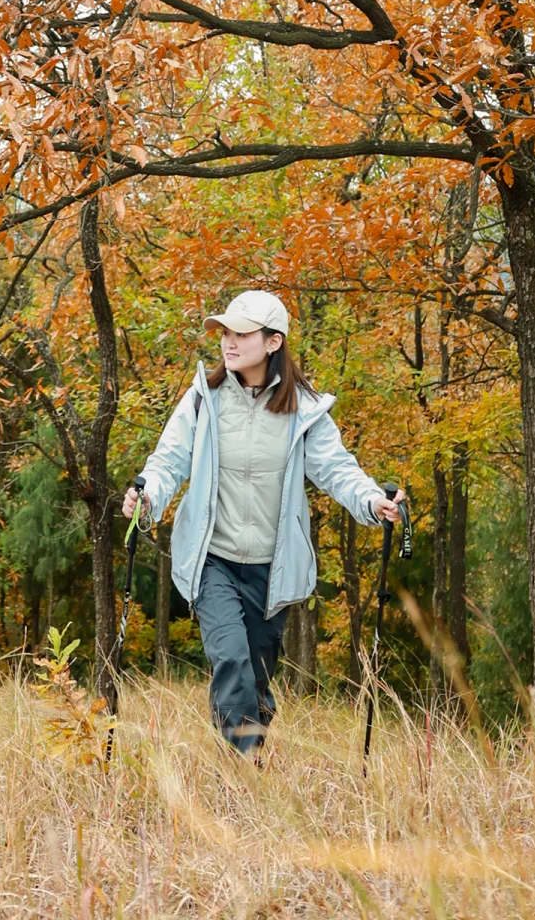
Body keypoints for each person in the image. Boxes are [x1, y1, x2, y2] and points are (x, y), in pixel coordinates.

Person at [122, 289, 404, 757]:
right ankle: (245, 766)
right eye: (225, 333)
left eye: (241, 333)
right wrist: (146, 496)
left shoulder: (306, 410)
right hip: (213, 560)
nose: (228, 342)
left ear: (273, 342)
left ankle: (249, 765)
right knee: (230, 658)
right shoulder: (202, 400)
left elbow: (337, 470)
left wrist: (373, 502)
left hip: (272, 570)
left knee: (256, 676)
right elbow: (167, 462)